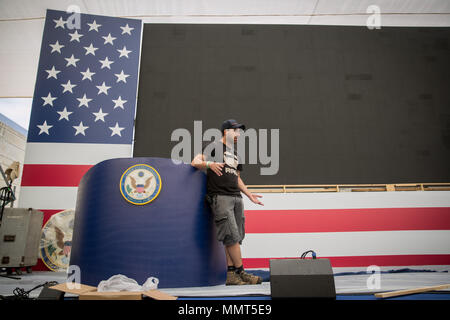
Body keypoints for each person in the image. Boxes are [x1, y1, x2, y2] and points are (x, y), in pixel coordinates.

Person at [191, 119, 264, 285]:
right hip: (220, 197)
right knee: (231, 236)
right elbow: (195, 162)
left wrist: (249, 194)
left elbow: (237, 178)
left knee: (234, 238)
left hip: (236, 197)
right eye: (236, 131)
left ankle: (231, 276)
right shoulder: (213, 147)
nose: (238, 134)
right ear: (226, 131)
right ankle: (242, 272)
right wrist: (209, 164)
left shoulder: (235, 153)